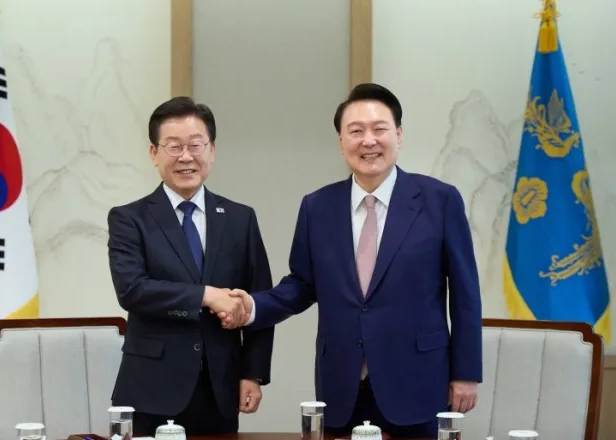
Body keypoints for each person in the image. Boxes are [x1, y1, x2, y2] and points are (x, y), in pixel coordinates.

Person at [220, 83, 483, 438]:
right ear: (341, 142)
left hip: (418, 380)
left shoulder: (440, 201)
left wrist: (466, 373)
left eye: (379, 129)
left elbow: (466, 295)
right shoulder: (317, 207)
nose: (368, 141)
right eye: (356, 131)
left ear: (399, 135)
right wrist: (252, 307)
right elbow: (302, 285)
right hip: (342, 383)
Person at [106, 97, 275, 436]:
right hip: (151, 389)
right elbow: (133, 290)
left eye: (196, 145)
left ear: (212, 150)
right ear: (154, 153)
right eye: (174, 146)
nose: (186, 157)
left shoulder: (240, 218)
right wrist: (206, 296)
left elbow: (259, 301)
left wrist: (252, 373)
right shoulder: (129, 219)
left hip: (220, 388)